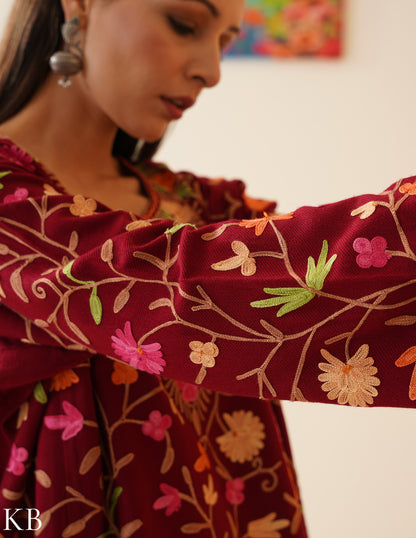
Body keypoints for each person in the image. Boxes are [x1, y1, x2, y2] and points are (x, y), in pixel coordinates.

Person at [0, 0, 414, 536]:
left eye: (224, 42)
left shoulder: (205, 209)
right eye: (185, 24)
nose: (211, 72)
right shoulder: (14, 208)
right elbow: (171, 284)